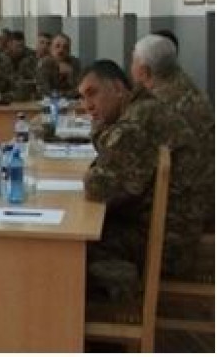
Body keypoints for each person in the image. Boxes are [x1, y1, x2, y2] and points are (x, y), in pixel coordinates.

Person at [78, 60, 206, 300]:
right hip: (175, 227)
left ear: (118, 88)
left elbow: (99, 187)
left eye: (92, 93)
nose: (87, 106)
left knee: (70, 247)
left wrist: (92, 168)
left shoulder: (136, 121)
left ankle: (121, 292)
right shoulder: (144, 108)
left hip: (167, 243)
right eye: (83, 98)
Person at [130, 34, 215, 224]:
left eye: (133, 60)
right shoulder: (183, 84)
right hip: (204, 195)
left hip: (182, 209)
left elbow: (133, 159)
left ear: (143, 71)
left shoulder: (159, 103)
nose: (131, 66)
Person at [36, 33, 80, 98]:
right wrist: (63, 94)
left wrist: (71, 74)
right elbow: (43, 91)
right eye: (57, 46)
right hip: (50, 101)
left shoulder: (74, 62)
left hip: (71, 101)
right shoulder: (44, 63)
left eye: (65, 47)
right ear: (50, 49)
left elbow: (80, 89)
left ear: (69, 51)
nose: (61, 50)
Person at [6, 31, 38, 100]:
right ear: (9, 45)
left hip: (27, 92)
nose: (21, 49)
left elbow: (36, 78)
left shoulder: (31, 56)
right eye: (17, 46)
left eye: (22, 46)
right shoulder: (3, 58)